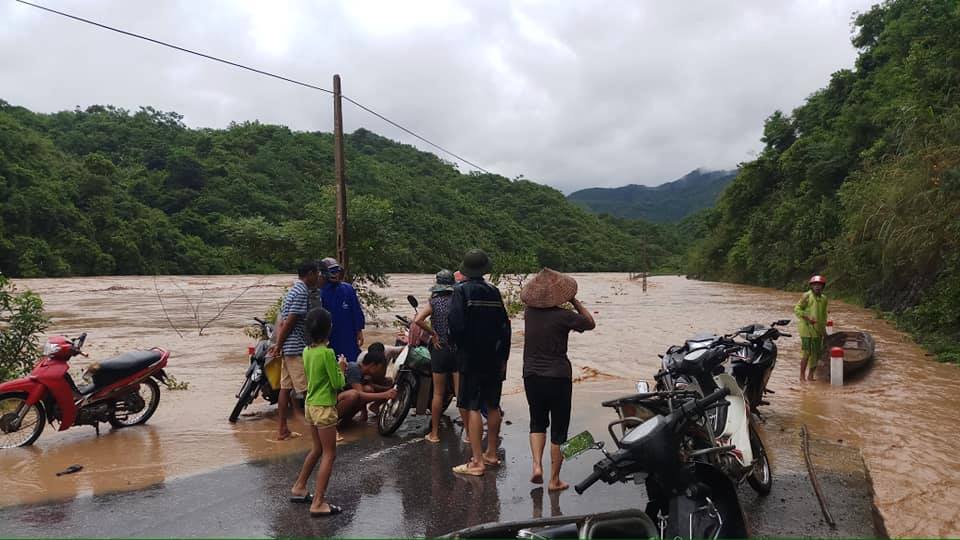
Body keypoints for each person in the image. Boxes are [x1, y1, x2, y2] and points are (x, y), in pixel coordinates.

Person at [520, 268, 595, 491]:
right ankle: (554, 480)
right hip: (558, 376)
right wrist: (574, 300)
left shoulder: (528, 313)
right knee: (559, 429)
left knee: (537, 421)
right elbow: (589, 323)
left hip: (531, 374)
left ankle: (536, 466)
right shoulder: (564, 316)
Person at [447, 249, 511, 476]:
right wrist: (503, 357)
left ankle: (476, 461)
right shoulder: (494, 292)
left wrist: (460, 348)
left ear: (465, 269)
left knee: (472, 406)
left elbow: (456, 326)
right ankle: (491, 453)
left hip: (471, 358)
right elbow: (506, 327)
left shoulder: (461, 291)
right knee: (493, 405)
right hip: (494, 359)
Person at [289, 307, 345, 517]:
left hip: (310, 406)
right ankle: (319, 502)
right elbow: (337, 383)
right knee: (329, 454)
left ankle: (300, 486)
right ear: (328, 329)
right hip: (324, 408)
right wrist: (341, 367)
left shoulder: (307, 351)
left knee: (317, 449)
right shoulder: (327, 353)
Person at [269, 260, 322, 441]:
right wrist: (278, 345)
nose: (319, 277)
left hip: (288, 347)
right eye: (317, 273)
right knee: (309, 391)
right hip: (295, 347)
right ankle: (322, 432)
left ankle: (283, 430)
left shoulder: (293, 290)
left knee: (285, 389)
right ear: (309, 274)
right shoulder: (301, 292)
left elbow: (284, 320)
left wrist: (280, 345)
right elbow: (290, 321)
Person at [414, 269, 465, 443]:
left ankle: (434, 433)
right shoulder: (459, 302)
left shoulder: (434, 302)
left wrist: (433, 334)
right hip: (457, 350)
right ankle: (468, 435)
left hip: (440, 349)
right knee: (460, 394)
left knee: (438, 394)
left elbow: (418, 320)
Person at [319, 257, 365, 363]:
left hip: (348, 335)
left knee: (352, 362)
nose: (335, 274)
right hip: (330, 336)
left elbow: (356, 311)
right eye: (332, 272)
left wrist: (359, 331)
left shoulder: (348, 289)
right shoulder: (319, 293)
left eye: (337, 271)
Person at [337, 350, 397, 423]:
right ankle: (333, 421)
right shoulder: (354, 368)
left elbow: (367, 388)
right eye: (380, 368)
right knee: (353, 395)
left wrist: (387, 389)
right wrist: (385, 394)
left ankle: (346, 420)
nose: (381, 371)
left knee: (368, 389)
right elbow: (359, 393)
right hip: (332, 404)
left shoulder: (364, 373)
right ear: (372, 365)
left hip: (340, 399)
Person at [795, 274, 829, 382]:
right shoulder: (806, 296)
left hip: (818, 330)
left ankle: (811, 376)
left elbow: (824, 316)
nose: (817, 287)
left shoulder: (824, 299)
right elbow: (797, 309)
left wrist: (824, 332)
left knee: (816, 353)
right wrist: (807, 317)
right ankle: (802, 376)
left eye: (819, 285)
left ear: (823, 287)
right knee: (806, 352)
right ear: (811, 286)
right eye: (815, 285)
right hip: (806, 329)